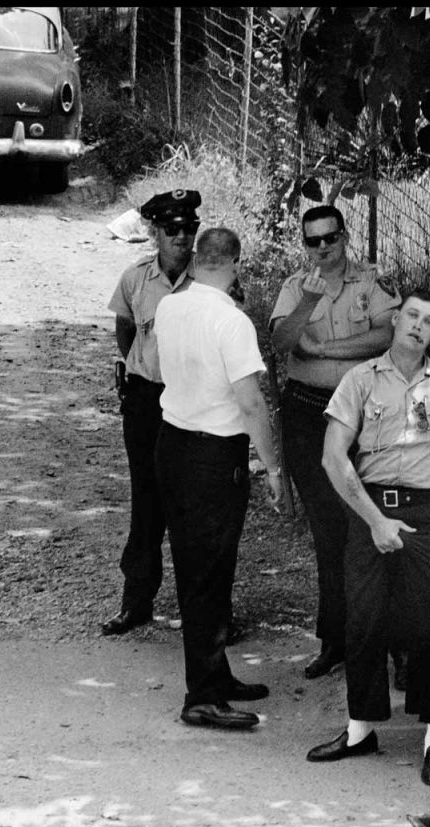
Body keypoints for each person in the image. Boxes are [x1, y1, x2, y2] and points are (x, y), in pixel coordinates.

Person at [306, 289, 430, 786]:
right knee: (363, 619)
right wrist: (374, 521)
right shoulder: (359, 380)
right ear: (395, 321)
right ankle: (360, 728)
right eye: (411, 315)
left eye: (429, 320)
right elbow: (333, 458)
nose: (418, 325)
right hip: (370, 511)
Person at [152, 226, 286, 730]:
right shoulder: (231, 321)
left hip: (174, 443)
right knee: (207, 573)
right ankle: (202, 696)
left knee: (202, 568)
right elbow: (251, 402)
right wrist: (273, 467)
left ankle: (215, 672)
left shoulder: (171, 305)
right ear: (231, 263)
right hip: (212, 454)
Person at [269, 205, 402, 681]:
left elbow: (388, 335)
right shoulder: (294, 287)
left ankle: (391, 641)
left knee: (376, 523)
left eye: (330, 238)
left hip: (364, 412)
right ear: (304, 244)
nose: (322, 248)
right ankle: (335, 639)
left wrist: (324, 348)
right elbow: (284, 343)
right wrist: (307, 303)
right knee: (328, 529)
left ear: (345, 237)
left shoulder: (371, 282)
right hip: (308, 411)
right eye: (312, 241)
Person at [101, 189, 201, 637]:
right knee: (147, 501)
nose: (183, 237)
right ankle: (136, 601)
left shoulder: (210, 278)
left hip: (195, 401)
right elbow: (126, 329)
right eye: (173, 229)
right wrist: (139, 371)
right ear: (154, 233)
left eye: (190, 228)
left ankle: (206, 611)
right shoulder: (136, 278)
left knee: (196, 507)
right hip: (147, 399)